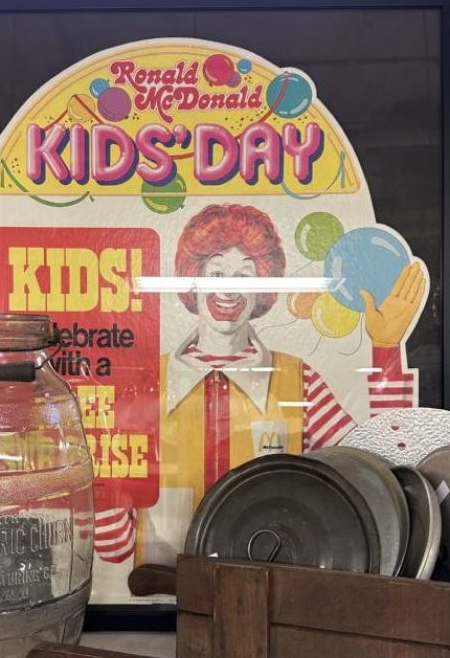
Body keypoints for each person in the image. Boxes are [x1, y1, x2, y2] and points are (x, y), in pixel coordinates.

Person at [95, 202, 425, 564]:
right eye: (216, 274)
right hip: (165, 594)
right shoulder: (144, 385)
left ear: (261, 289)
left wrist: (386, 348)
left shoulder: (300, 383)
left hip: (274, 591)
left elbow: (373, 476)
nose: (228, 291)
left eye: (245, 277)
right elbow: (114, 547)